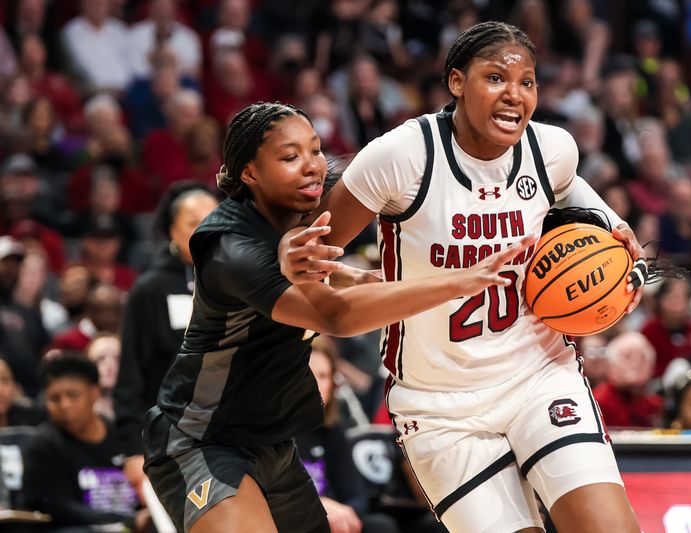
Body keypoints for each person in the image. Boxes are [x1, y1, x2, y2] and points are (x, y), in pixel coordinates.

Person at [280, 21, 647, 533]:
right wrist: (353, 285)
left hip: (538, 375)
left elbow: (569, 188)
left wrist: (617, 238)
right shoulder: (402, 156)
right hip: (440, 407)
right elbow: (306, 263)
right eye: (496, 78)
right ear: (456, 82)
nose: (514, 95)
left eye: (527, 82)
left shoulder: (552, 150)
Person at [141, 101, 534, 533]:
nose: (312, 166)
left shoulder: (299, 222)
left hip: (273, 443)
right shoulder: (228, 247)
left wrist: (365, 279)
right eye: (291, 158)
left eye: (315, 150)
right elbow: (337, 318)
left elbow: (337, 283)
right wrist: (463, 281)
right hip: (202, 440)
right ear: (249, 173)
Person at [114, 182, 219, 459]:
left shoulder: (239, 280)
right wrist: (132, 450)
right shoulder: (150, 289)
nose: (206, 229)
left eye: (214, 219)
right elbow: (131, 372)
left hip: (231, 429)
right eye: (194, 222)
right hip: (171, 434)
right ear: (172, 231)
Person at [21, 357, 147, 530]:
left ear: (95, 392)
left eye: (73, 395)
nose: (64, 405)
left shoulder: (123, 436)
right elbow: (62, 509)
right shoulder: (43, 446)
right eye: (55, 398)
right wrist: (129, 521)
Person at [297, 336, 401, 533]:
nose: (316, 385)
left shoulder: (332, 430)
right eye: (308, 375)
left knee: (381, 526)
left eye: (323, 376)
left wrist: (343, 515)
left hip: (334, 525)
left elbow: (356, 496)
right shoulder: (275, 435)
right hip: (295, 521)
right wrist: (320, 509)